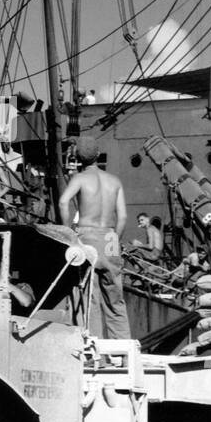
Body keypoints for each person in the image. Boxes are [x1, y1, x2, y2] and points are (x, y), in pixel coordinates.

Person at [59, 135, 132, 339]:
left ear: (79, 158)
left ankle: (94, 352)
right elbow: (123, 217)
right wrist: (113, 239)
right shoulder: (114, 181)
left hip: (86, 237)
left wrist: (68, 234)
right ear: (98, 155)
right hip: (110, 238)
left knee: (87, 298)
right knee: (115, 298)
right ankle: (121, 349)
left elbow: (63, 202)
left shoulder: (79, 178)